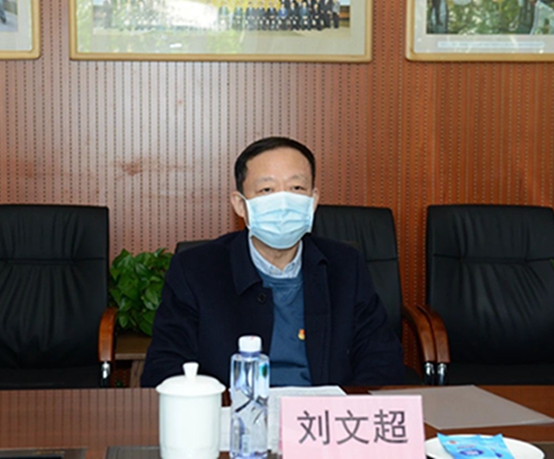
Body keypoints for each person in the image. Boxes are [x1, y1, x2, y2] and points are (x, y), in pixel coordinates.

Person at [140, 137, 404, 388]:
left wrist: (346, 408)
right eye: (266, 190)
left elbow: (381, 357)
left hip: (323, 414)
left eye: (296, 188)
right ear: (240, 205)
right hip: (231, 413)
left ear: (313, 201)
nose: (283, 202)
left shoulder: (345, 265)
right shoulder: (195, 270)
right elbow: (165, 366)